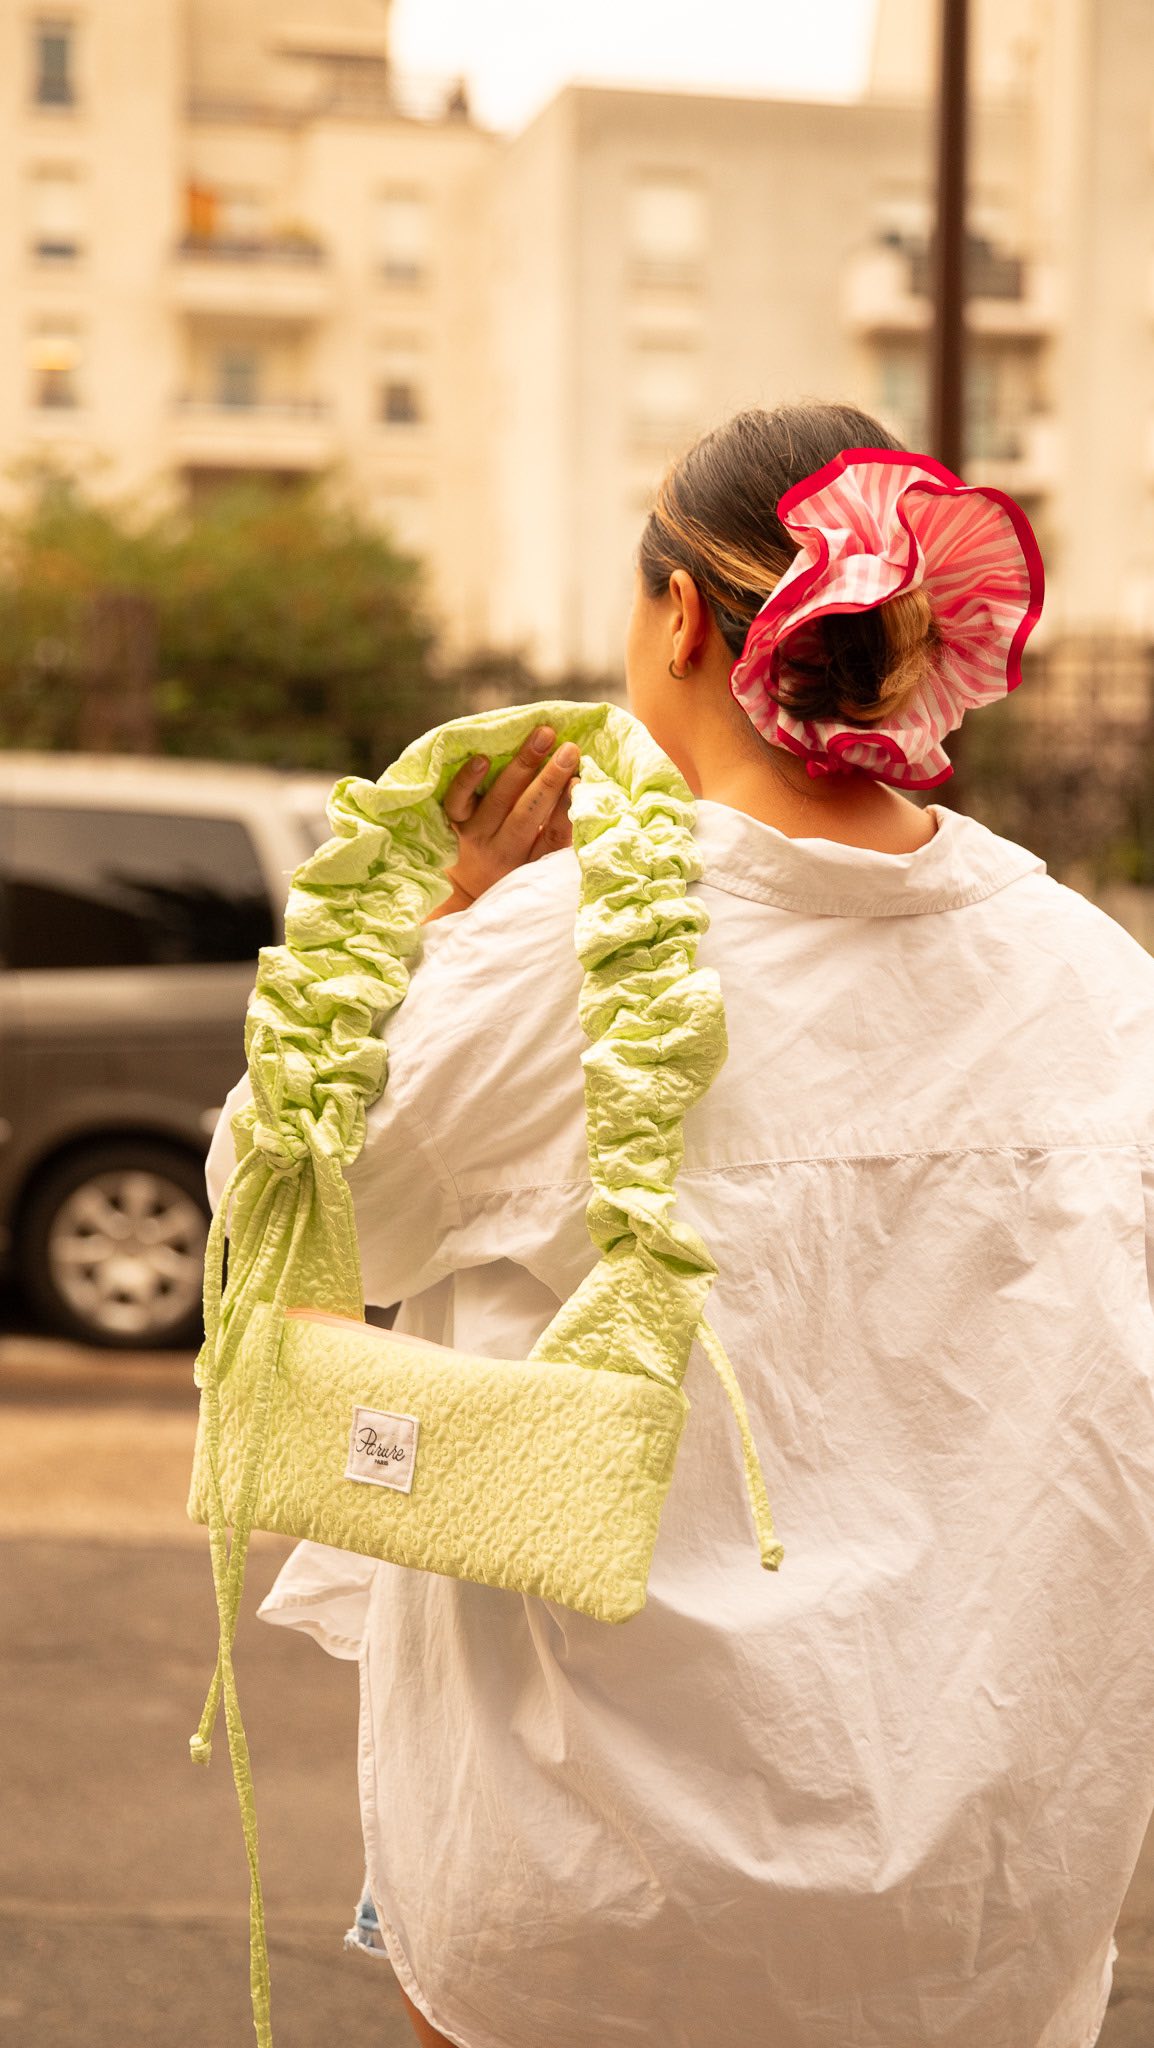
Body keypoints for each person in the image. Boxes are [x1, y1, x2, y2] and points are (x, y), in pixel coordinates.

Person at [206, 403, 1154, 2048]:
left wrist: (445, 936)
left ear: (678, 621)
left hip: (594, 1901)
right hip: (982, 1918)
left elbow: (276, 1213)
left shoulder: (558, 962)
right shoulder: (1093, 983)